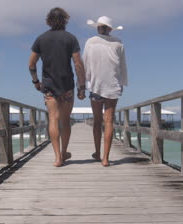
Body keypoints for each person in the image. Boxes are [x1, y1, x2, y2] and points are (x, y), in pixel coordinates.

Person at [29, 7, 86, 167]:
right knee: (65, 120)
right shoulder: (71, 38)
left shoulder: (41, 39)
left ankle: (57, 158)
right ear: (65, 20)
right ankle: (64, 152)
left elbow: (31, 63)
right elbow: (78, 64)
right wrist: (82, 86)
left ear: (49, 20)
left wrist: (36, 81)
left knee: (53, 119)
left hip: (48, 86)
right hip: (67, 85)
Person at [83, 16, 128, 167]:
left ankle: (97, 152)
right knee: (109, 121)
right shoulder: (118, 43)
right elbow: (122, 66)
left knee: (97, 121)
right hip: (112, 85)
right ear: (110, 29)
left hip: (96, 85)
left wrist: (83, 84)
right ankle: (105, 159)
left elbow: (85, 64)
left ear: (98, 28)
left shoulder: (90, 42)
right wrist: (122, 83)